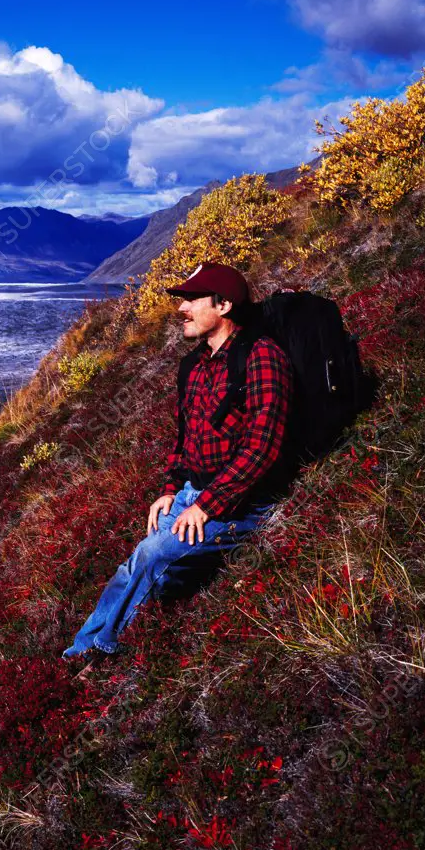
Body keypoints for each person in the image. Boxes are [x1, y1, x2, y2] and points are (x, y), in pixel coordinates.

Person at [61, 261, 294, 675]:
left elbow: (263, 449)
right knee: (137, 561)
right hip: (194, 492)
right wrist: (171, 490)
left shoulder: (262, 358)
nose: (180, 309)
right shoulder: (194, 366)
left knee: (152, 555)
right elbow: (184, 441)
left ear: (223, 305)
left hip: (244, 502)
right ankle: (81, 652)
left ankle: (99, 656)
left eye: (190, 300)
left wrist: (208, 506)